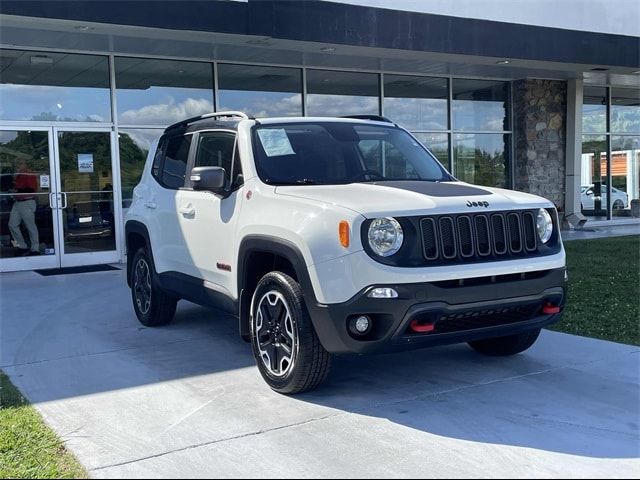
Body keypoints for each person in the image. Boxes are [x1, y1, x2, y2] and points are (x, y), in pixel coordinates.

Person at [8, 159, 40, 256]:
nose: (18, 165)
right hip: (18, 202)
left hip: (27, 201)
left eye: (20, 163)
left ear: (25, 164)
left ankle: (35, 248)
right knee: (12, 224)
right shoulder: (18, 175)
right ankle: (21, 246)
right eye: (16, 163)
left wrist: (15, 191)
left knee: (30, 226)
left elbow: (30, 189)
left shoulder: (29, 173)